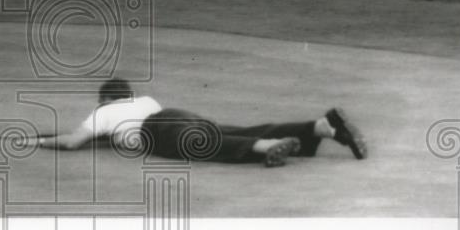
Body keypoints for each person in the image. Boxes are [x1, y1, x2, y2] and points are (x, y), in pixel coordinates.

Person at [36, 78, 367, 168]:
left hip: (155, 133)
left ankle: (264, 147)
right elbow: (104, 137)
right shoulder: (143, 100)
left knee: (209, 146)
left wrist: (38, 140)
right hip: (171, 116)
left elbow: (72, 141)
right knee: (232, 131)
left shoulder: (103, 112)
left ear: (105, 100)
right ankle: (319, 126)